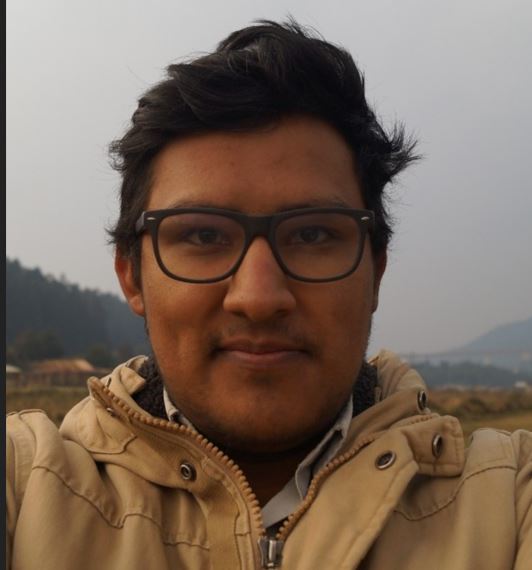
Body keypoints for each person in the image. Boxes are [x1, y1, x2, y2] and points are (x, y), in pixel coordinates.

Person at [6, 19, 531, 570]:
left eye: (313, 235)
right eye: (203, 236)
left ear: (375, 271)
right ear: (131, 275)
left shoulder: (507, 504)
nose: (258, 298)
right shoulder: (26, 487)